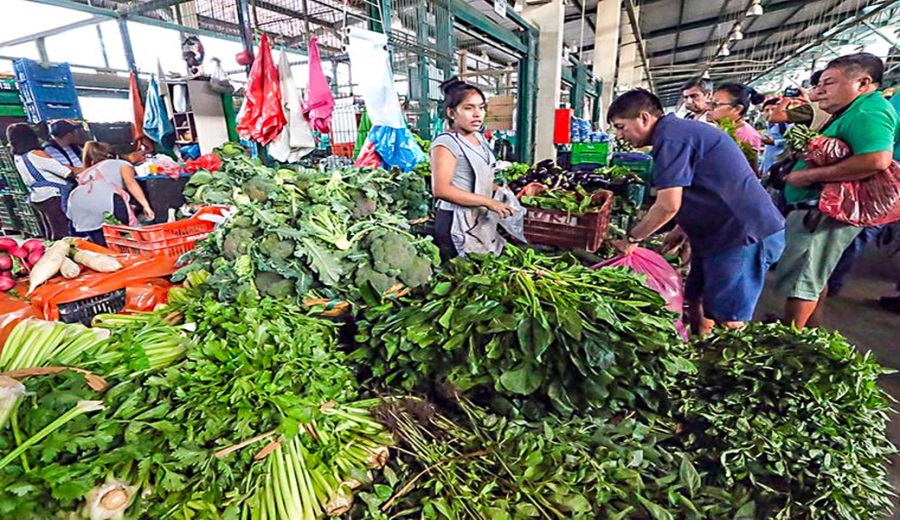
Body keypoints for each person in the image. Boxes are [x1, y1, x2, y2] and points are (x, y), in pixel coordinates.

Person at [608, 89, 785, 335]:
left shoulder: (671, 139)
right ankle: (701, 349)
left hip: (742, 234)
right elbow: (701, 187)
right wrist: (682, 229)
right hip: (719, 233)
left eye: (620, 127)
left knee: (729, 316)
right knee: (697, 296)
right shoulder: (677, 134)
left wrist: (632, 240)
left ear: (644, 118)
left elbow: (668, 204)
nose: (620, 135)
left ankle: (731, 366)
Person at [776, 52, 899, 329]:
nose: (821, 92)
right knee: (814, 275)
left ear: (863, 83)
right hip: (817, 209)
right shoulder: (854, 109)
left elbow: (877, 159)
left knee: (804, 280)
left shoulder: (870, 111)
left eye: (829, 83)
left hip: (823, 212)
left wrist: (809, 176)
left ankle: (788, 339)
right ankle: (810, 331)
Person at [430, 77, 514, 262]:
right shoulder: (446, 143)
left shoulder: (479, 139)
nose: (477, 114)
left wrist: (497, 190)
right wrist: (489, 202)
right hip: (456, 220)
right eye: (468, 108)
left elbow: (475, 178)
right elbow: (441, 189)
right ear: (452, 113)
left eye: (481, 107)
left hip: (478, 215)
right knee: (460, 275)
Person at [67, 141, 155, 246]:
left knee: (102, 246)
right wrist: (146, 206)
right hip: (105, 200)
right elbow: (130, 183)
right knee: (125, 238)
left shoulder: (87, 171)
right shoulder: (122, 164)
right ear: (116, 155)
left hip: (76, 205)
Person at [5, 123, 74, 240]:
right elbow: (66, 172)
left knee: (51, 229)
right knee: (61, 232)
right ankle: (61, 254)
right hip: (53, 196)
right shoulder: (36, 154)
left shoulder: (19, 156)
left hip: (38, 197)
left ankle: (51, 250)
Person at [707, 83, 765, 154]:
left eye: (715, 104)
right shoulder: (722, 129)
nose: (708, 108)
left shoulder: (747, 135)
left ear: (737, 109)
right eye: (709, 103)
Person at [760, 98, 789, 175]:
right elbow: (768, 150)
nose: (770, 113)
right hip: (768, 168)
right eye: (766, 110)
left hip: (780, 168)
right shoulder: (768, 126)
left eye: (773, 109)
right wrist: (762, 168)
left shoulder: (786, 124)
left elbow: (793, 141)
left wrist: (774, 142)